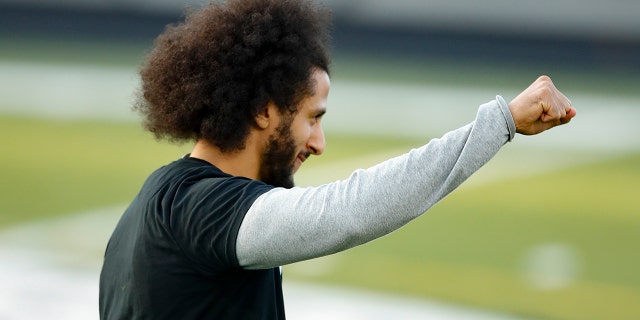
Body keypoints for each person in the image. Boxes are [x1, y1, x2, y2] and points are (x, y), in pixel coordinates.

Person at [98, 0, 576, 319]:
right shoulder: (199, 209)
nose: (319, 142)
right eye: (312, 118)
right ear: (264, 111)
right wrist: (501, 122)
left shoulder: (149, 206)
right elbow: (348, 211)